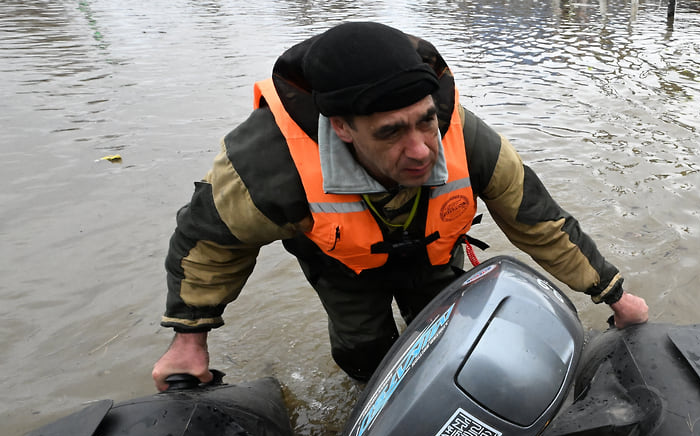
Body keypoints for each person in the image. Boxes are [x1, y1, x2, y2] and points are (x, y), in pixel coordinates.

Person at [152, 22, 650, 389]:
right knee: (364, 354)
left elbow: (540, 222)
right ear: (342, 128)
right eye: (391, 132)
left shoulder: (467, 137)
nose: (419, 150)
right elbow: (211, 246)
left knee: (456, 344)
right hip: (343, 264)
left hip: (433, 253)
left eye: (425, 122)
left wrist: (613, 295)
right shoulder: (266, 164)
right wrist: (189, 339)